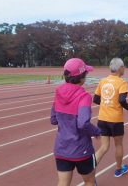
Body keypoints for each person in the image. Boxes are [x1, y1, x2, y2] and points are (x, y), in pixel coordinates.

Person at [51, 58, 100, 186]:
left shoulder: (58, 93)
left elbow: (53, 119)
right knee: (89, 181)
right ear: (82, 77)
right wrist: (96, 131)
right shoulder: (84, 97)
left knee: (63, 183)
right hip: (81, 149)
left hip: (62, 148)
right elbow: (83, 123)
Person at [93, 58, 128, 177]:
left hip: (102, 118)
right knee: (118, 145)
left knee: (104, 147)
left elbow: (95, 99)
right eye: (123, 66)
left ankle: (89, 173)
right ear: (120, 68)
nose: (124, 68)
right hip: (115, 120)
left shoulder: (103, 81)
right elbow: (121, 100)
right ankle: (119, 169)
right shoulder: (122, 82)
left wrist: (107, 103)